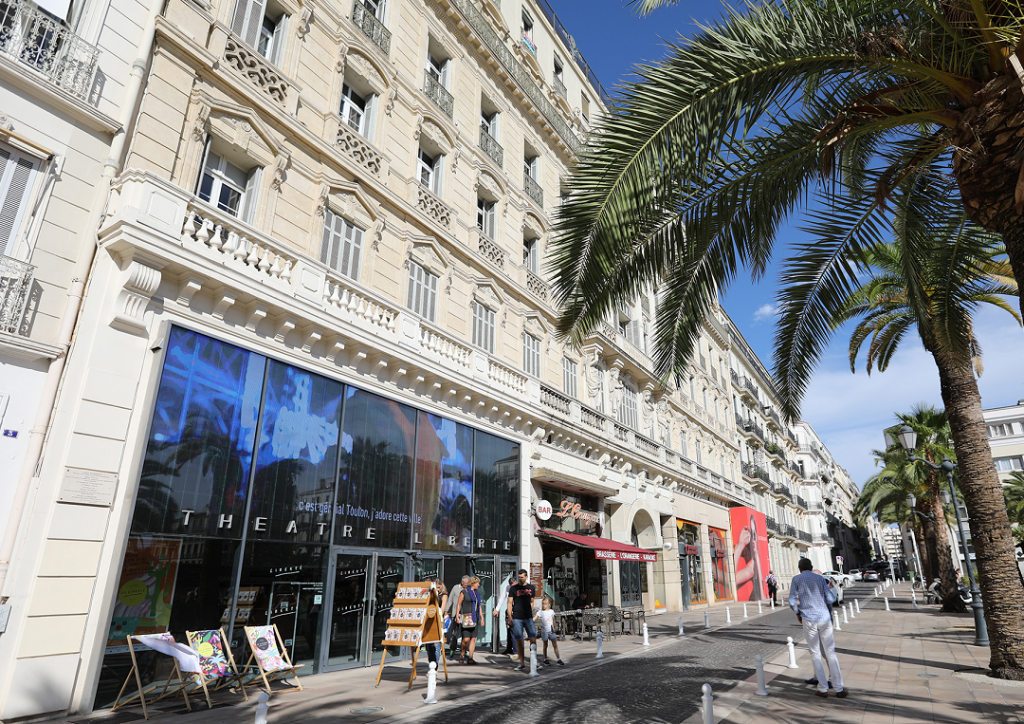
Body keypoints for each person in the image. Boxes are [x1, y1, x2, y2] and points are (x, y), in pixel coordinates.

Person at [789, 557, 847, 699]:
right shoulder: (820, 578)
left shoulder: (796, 579)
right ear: (811, 566)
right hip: (824, 618)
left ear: (799, 568)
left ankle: (823, 688)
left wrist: (798, 612)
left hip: (808, 618)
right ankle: (839, 688)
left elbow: (791, 600)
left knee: (815, 652)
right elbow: (831, 598)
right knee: (830, 652)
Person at [507, 568, 540, 672]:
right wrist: (510, 617)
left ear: (526, 577)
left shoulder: (531, 588)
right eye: (519, 577)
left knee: (533, 638)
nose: (520, 579)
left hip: (528, 617)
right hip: (517, 618)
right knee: (519, 640)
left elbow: (532, 601)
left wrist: (529, 611)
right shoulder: (513, 589)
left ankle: (534, 661)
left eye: (522, 577)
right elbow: (509, 603)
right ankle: (521, 663)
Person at [456, 576, 483, 664]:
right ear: (473, 583)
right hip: (466, 619)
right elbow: (459, 604)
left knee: (473, 639)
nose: (478, 585)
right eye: (477, 583)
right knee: (466, 639)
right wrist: (457, 616)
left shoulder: (477, 593)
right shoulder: (464, 592)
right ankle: (463, 652)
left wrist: (482, 618)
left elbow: (479, 606)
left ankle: (470, 658)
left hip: (474, 618)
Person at [425, 578, 448, 666]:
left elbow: (442, 610)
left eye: (439, 587)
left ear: (442, 586)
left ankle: (436, 666)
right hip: (430, 620)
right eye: (436, 587)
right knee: (428, 645)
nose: (437, 589)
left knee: (437, 645)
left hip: (438, 620)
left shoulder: (444, 596)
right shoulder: (432, 594)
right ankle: (431, 663)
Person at [535, 597, 564, 666]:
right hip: (544, 631)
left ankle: (558, 659)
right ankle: (545, 659)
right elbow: (535, 618)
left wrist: (555, 626)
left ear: (548, 604)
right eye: (542, 604)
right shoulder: (540, 612)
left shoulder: (551, 611)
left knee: (555, 645)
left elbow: (553, 619)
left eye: (545, 604)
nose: (543, 605)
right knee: (545, 645)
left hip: (551, 630)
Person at [446, 575, 469, 659]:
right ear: (462, 582)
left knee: (465, 634)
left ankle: (464, 651)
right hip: (455, 615)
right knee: (455, 634)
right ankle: (452, 649)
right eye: (466, 583)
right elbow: (450, 600)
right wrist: (446, 611)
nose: (467, 584)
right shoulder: (455, 588)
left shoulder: (469, 589)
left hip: (465, 615)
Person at [493, 572, 517, 655]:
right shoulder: (507, 588)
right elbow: (502, 598)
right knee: (509, 630)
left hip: (516, 612)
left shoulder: (519, 589)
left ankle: (515, 651)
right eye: (511, 586)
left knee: (513, 631)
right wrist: (497, 609)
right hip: (509, 611)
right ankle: (509, 648)